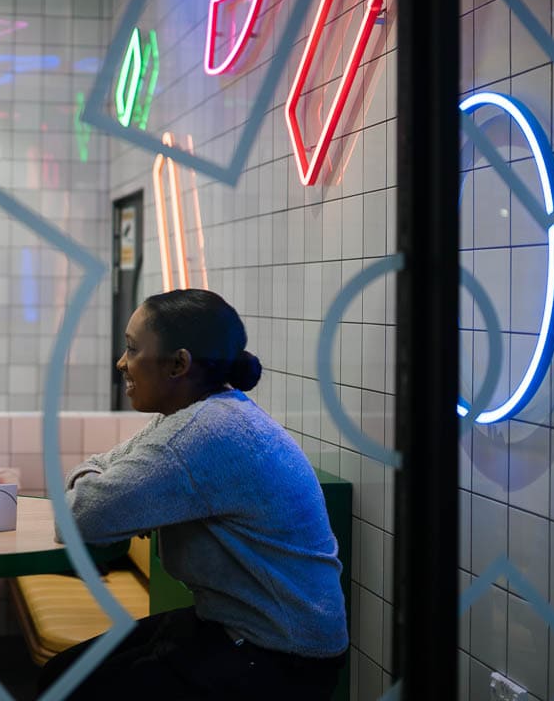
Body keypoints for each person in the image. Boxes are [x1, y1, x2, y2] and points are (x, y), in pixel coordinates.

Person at [40, 288, 348, 699]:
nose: (121, 363)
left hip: (278, 655)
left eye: (132, 349)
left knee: (64, 688)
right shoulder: (202, 415)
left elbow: (76, 517)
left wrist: (95, 485)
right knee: (60, 675)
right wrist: (99, 485)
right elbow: (99, 484)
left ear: (178, 364)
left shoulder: (204, 433)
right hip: (233, 627)